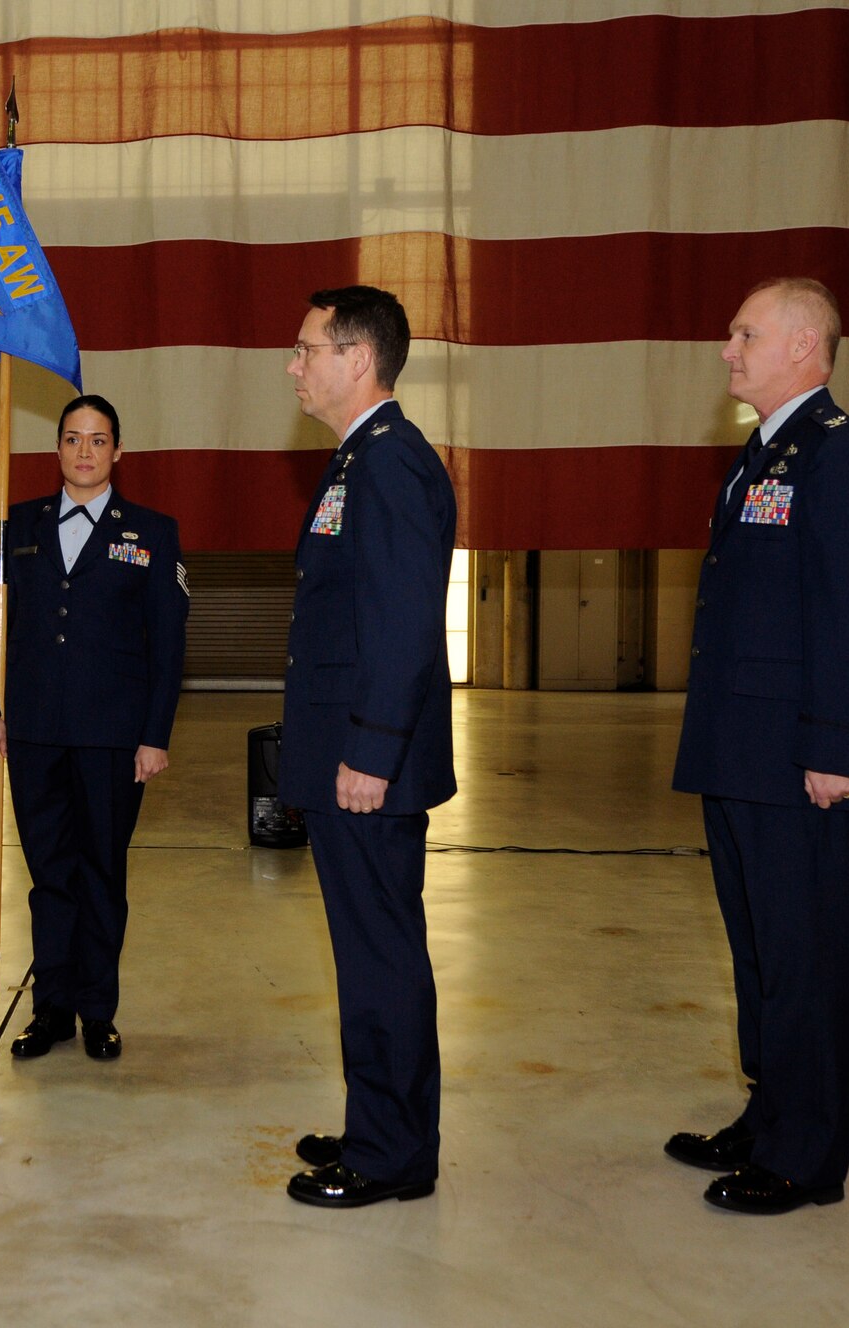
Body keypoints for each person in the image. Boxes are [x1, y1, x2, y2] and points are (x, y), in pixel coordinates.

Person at [669, 277, 849, 1214]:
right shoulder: (761, 455)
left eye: (745, 333)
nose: (727, 349)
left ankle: (807, 1158)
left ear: (805, 346)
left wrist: (839, 748)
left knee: (806, 956)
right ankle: (770, 1116)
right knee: (761, 950)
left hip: (806, 761)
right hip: (742, 752)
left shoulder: (844, 459)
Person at [279, 286, 457, 1209]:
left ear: (359, 359)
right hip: (352, 752)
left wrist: (374, 750)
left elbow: (402, 624)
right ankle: (379, 1123)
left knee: (382, 953)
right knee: (367, 951)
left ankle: (391, 1153)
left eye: (308, 349)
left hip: (367, 763)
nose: (294, 364)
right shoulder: (362, 459)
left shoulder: (387, 465)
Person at [0, 394, 189, 1062]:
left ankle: (98, 1009)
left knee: (100, 873)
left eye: (98, 441)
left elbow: (168, 644)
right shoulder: (17, 527)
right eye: (72, 439)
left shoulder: (151, 532)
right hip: (33, 734)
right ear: (57, 448)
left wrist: (155, 735)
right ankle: (53, 1009)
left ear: (117, 451)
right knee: (49, 874)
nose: (85, 451)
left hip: (113, 740)